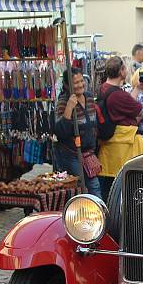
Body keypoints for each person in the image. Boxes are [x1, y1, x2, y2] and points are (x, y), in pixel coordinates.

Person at [96, 56, 143, 201]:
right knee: (121, 190)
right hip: (122, 148)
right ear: (122, 71)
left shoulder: (104, 89)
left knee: (109, 187)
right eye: (124, 67)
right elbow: (142, 110)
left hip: (109, 146)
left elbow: (124, 102)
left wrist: (136, 89)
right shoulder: (117, 94)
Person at [53, 68, 101, 197]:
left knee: (93, 186)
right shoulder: (64, 102)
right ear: (67, 85)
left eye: (81, 81)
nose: (80, 85)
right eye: (76, 83)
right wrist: (69, 108)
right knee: (81, 188)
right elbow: (60, 132)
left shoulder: (89, 98)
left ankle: (98, 214)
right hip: (71, 153)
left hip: (88, 153)